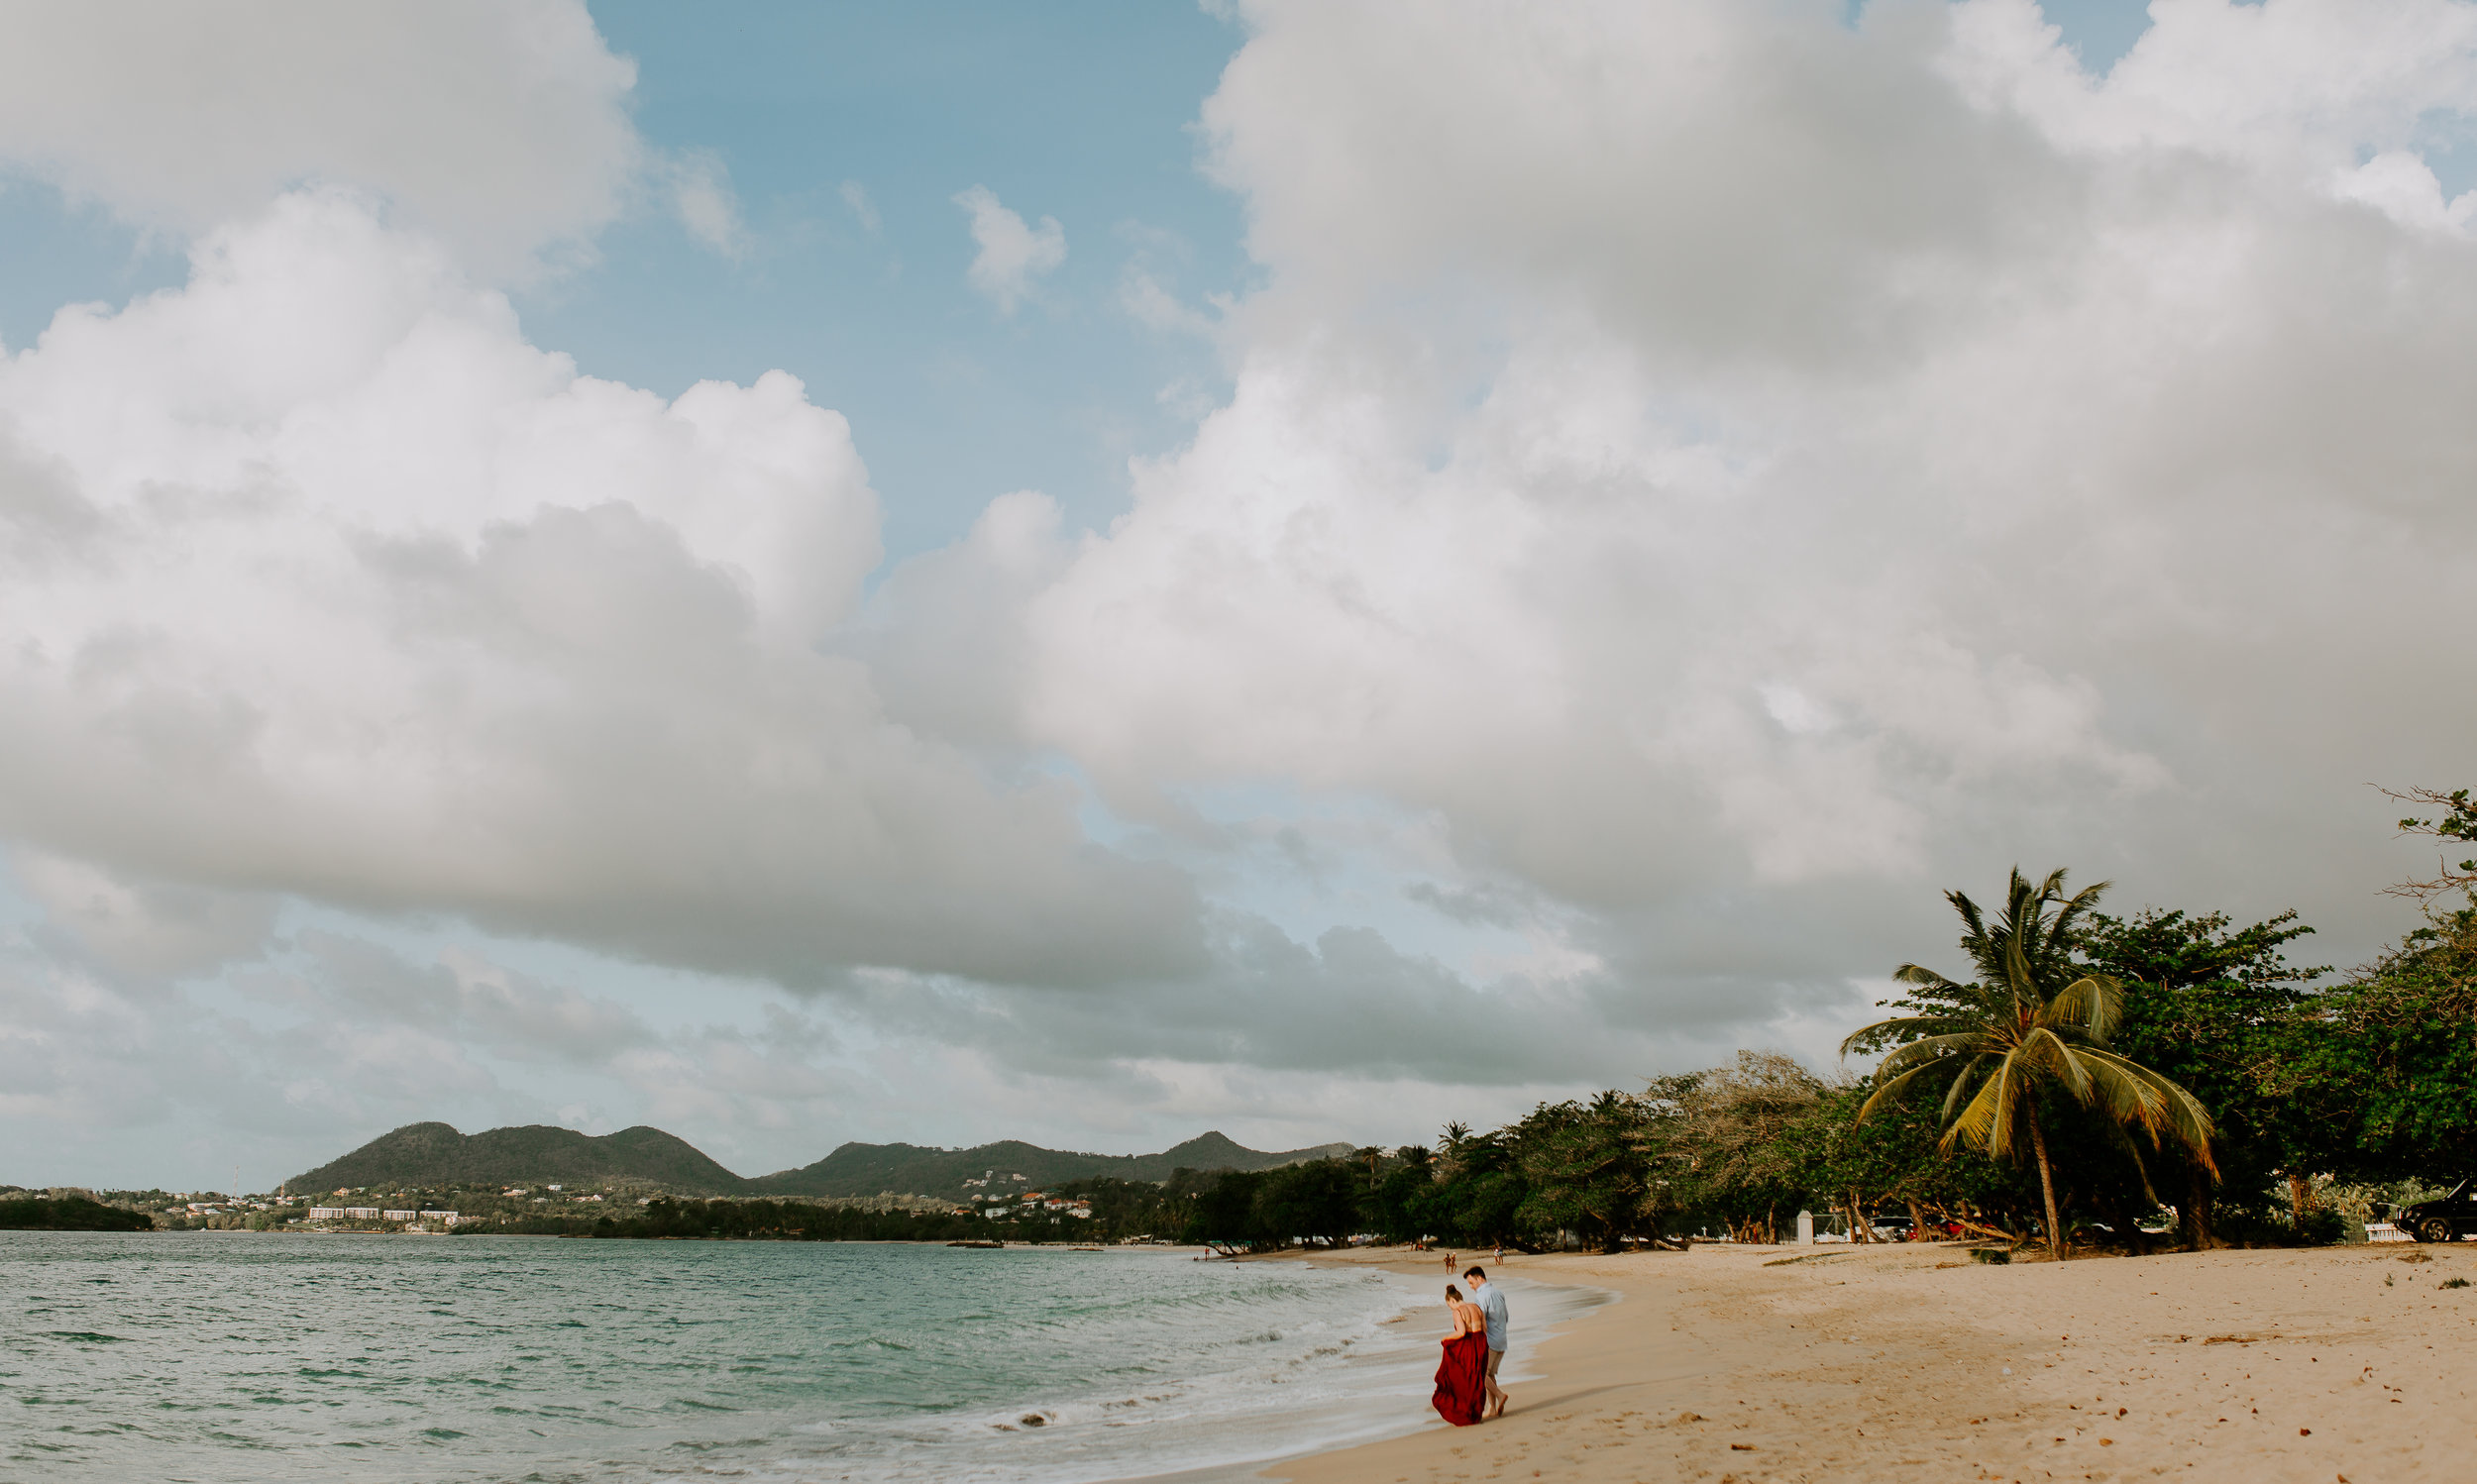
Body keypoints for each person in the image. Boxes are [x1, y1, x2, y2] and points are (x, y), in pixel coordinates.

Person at [1431, 1284, 1488, 1426]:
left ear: (1452, 1300)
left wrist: (1446, 1338)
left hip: (1468, 1345)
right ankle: (1477, 1412)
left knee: (1466, 1379)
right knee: (1478, 1378)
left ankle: (1469, 1413)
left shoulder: (1458, 1311)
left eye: (1449, 1305)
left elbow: (1461, 1332)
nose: (1451, 1308)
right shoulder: (1477, 1307)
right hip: (1481, 1342)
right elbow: (1485, 1329)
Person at [1464, 1265, 1510, 1419]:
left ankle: (1500, 1395)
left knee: (1479, 1373)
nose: (1471, 1287)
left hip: (1490, 1340)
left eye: (1471, 1283)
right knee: (1489, 1375)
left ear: (1480, 1278)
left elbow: (1479, 1319)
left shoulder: (1482, 1296)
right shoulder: (1498, 1292)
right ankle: (1492, 1408)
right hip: (1502, 1339)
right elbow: (1506, 1317)